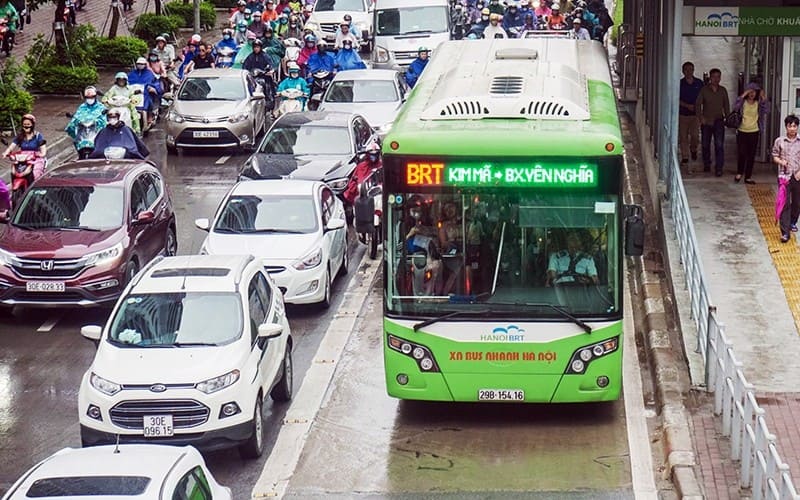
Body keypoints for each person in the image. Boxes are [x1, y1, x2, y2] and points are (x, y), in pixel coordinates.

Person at [695, 67, 730, 176]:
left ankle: (719, 167)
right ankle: (707, 163)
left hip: (719, 121)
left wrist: (728, 119)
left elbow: (726, 105)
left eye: (718, 77)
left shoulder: (723, 90)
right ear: (710, 78)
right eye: (714, 77)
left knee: (719, 145)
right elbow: (698, 104)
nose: (716, 79)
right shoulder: (704, 90)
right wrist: (701, 117)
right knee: (705, 144)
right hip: (707, 122)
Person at [734, 82, 769, 184]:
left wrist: (763, 97)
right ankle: (739, 172)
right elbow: (735, 107)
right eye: (750, 91)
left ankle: (748, 176)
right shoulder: (742, 103)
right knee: (741, 153)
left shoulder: (758, 104)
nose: (752, 94)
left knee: (751, 155)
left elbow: (767, 110)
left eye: (754, 91)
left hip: (754, 131)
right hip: (742, 130)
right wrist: (743, 95)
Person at [405, 196, 441, 296]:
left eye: (419, 211)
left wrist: (426, 231)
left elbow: (435, 237)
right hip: (411, 255)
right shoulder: (403, 225)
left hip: (428, 255)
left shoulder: (427, 224)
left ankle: (431, 295)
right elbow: (398, 245)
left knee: (436, 270)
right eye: (414, 211)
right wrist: (410, 234)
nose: (416, 214)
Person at [773, 114, 800, 243]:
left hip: (798, 176)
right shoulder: (780, 141)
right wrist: (781, 162)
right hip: (784, 177)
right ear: (786, 127)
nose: (792, 129)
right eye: (790, 126)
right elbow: (774, 155)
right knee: (784, 204)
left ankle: (793, 221)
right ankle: (785, 232)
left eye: (795, 126)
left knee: (796, 202)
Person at [2, 114, 46, 180]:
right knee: (14, 171)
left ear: (32, 125)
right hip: (22, 159)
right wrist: (6, 153)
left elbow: (43, 149)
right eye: (24, 124)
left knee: (35, 174)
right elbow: (12, 146)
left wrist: (42, 154)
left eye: (28, 124)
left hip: (35, 159)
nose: (26, 126)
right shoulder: (20, 136)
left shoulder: (38, 136)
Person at [678, 61, 704, 169]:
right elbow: (676, 98)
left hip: (695, 115)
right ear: (683, 71)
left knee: (695, 136)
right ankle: (685, 156)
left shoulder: (699, 83)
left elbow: (703, 97)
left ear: (693, 70)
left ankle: (693, 149)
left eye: (690, 69)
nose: (689, 72)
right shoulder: (679, 83)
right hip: (683, 114)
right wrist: (686, 105)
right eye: (686, 70)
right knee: (683, 136)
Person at [128, 57, 162, 128]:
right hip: (132, 93)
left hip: (145, 93)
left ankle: (149, 115)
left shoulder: (149, 74)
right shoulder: (132, 74)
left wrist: (153, 88)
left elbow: (155, 83)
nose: (140, 65)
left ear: (145, 65)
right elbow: (127, 82)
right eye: (138, 64)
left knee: (148, 101)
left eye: (142, 64)